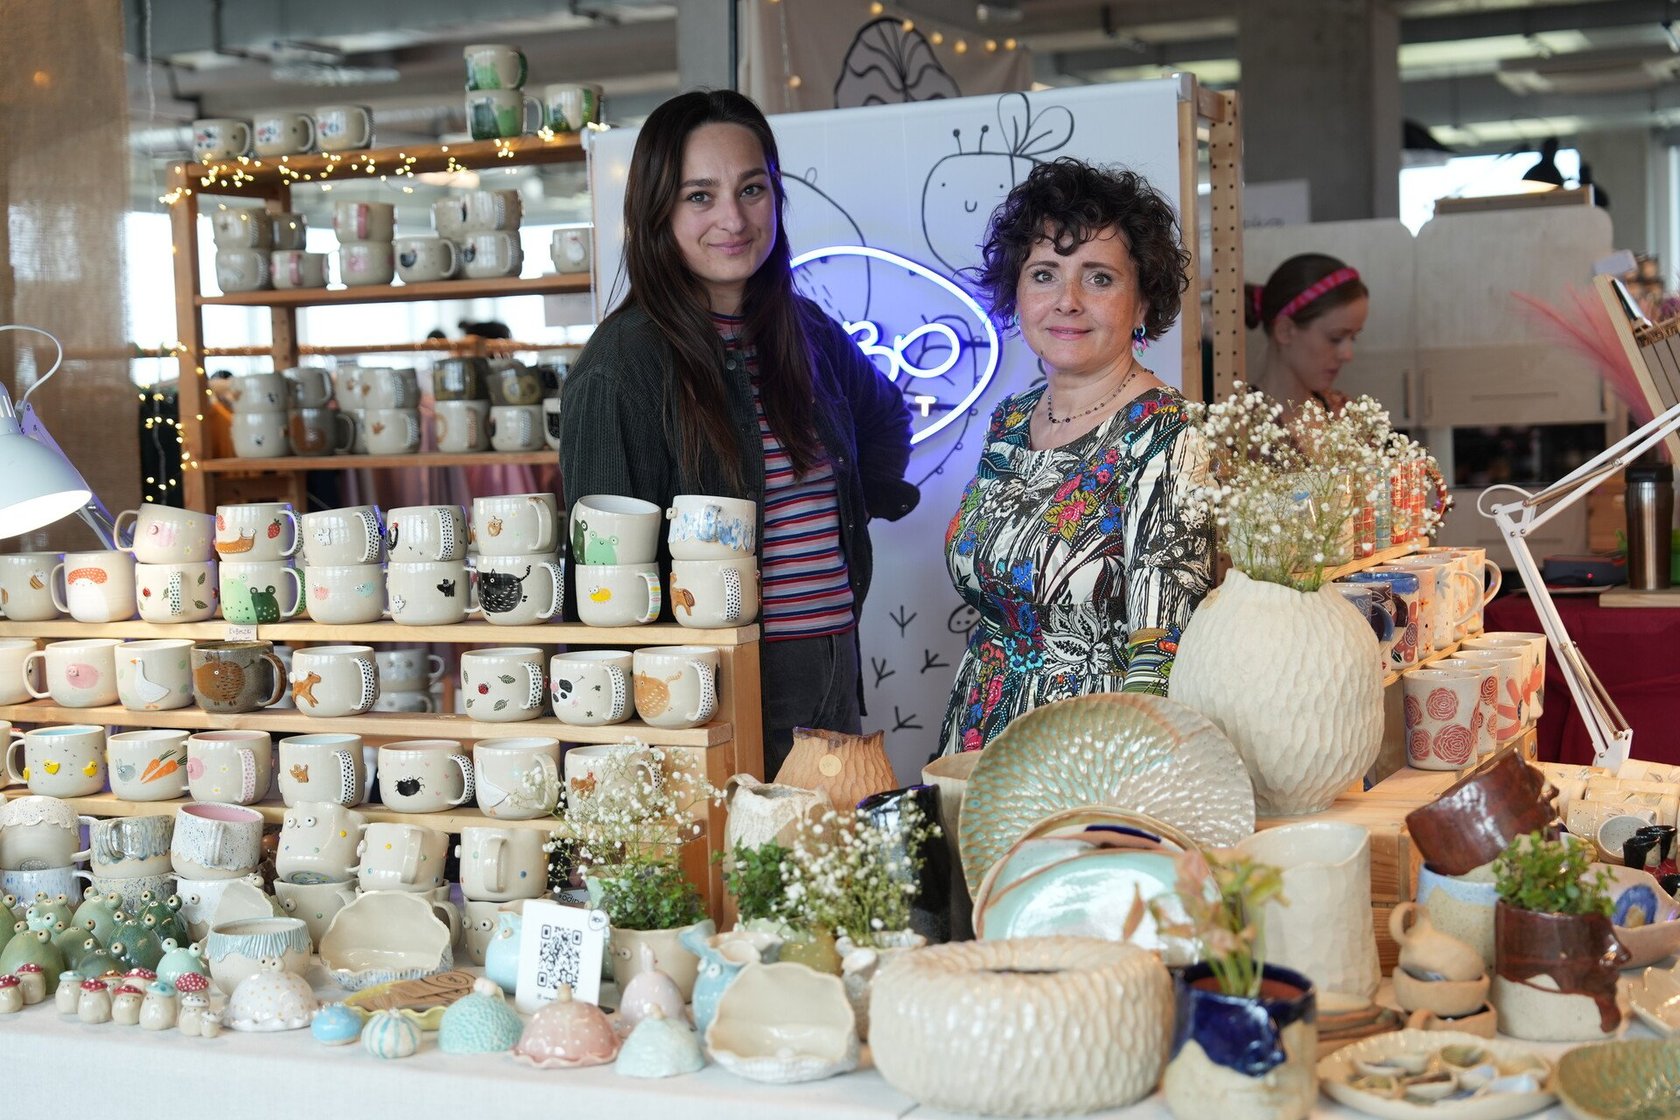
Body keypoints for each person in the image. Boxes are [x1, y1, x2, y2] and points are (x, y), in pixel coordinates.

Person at [559, 89, 918, 776]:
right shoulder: (622, 366)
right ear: (657, 210)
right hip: (711, 684)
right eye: (700, 196)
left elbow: (885, 416)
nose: (733, 218)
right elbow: (602, 591)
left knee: (826, 840)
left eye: (752, 189)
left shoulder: (804, 329)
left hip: (832, 657)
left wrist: (858, 500)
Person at [939, 158, 1215, 756]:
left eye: (1099, 278)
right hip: (979, 733)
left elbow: (1161, 649)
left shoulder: (1169, 433)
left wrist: (1121, 777)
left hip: (1091, 751)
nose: (1066, 301)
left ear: (1141, 303)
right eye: (1044, 274)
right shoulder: (1011, 421)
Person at [1246, 253, 1369, 419]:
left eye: (1353, 337)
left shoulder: (1347, 415)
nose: (1348, 355)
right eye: (1335, 338)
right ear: (1285, 331)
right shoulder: (1238, 426)